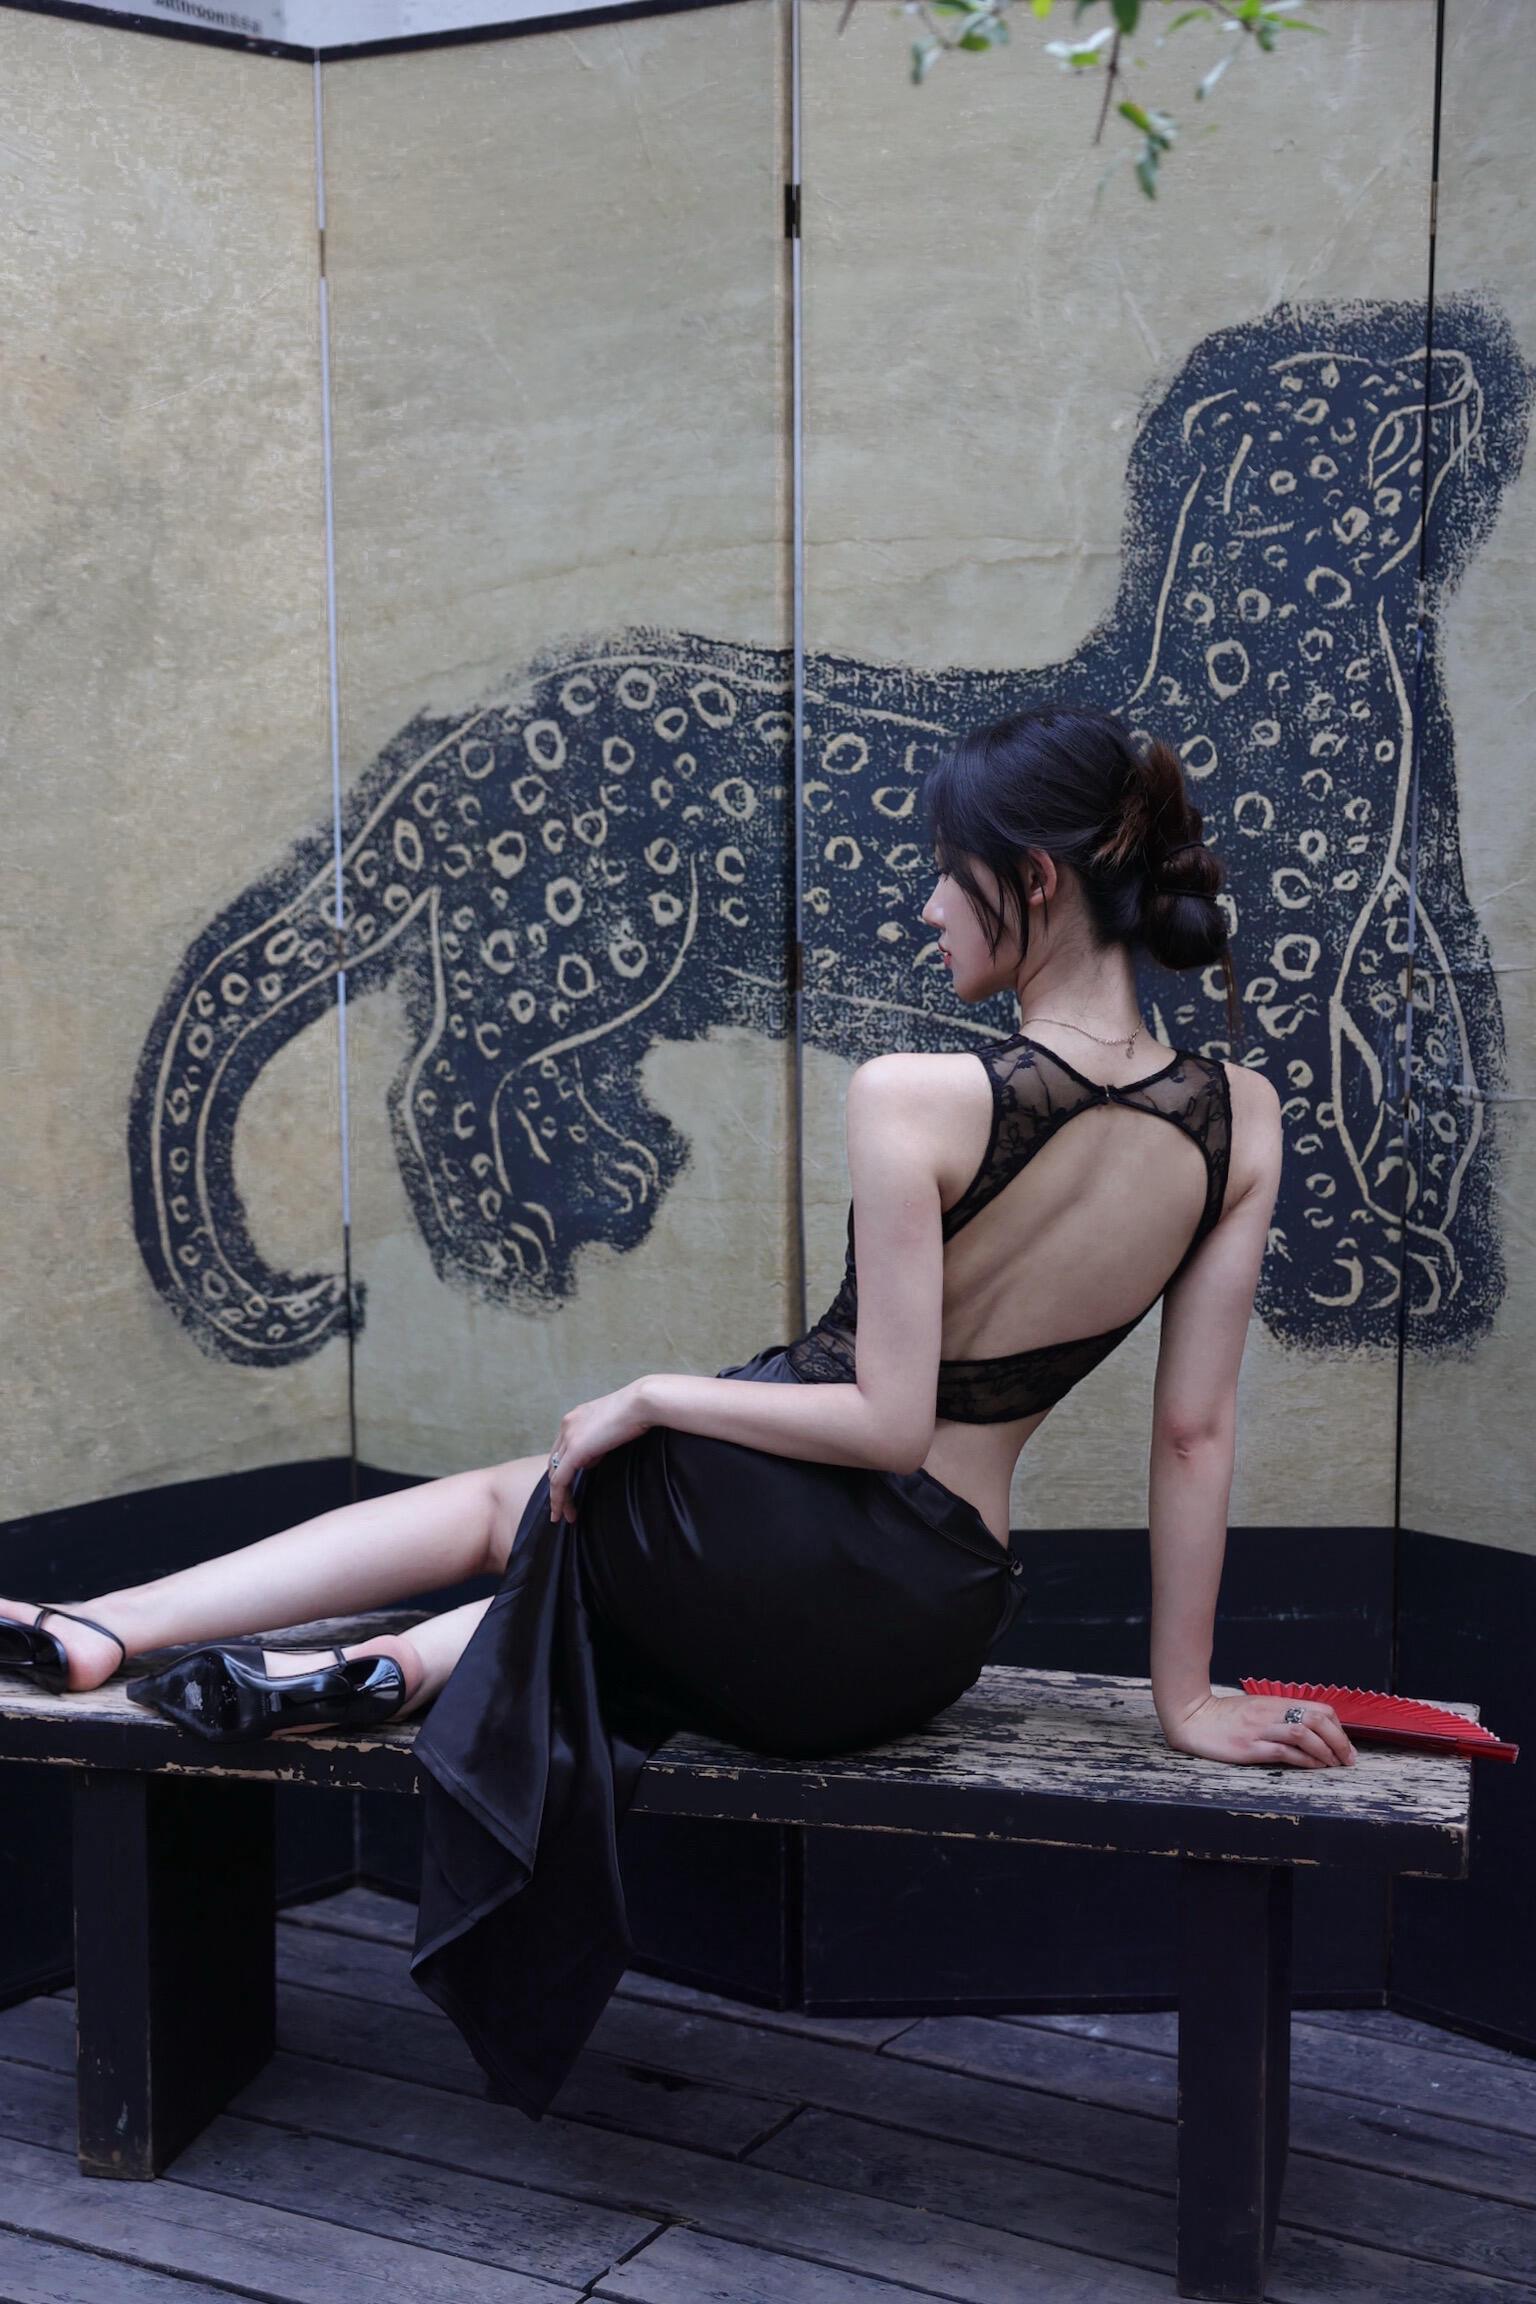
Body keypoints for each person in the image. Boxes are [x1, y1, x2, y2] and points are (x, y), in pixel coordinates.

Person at [0, 701, 1356, 2118]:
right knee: (602, 1587)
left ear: (1032, 878)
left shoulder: (916, 1096)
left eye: (946, 872)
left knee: (522, 1500)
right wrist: (1186, 1700)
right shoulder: (1240, 1119)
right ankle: (385, 1668)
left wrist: (654, 1396)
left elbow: (886, 1424)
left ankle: (119, 1625)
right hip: (920, 1631)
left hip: (784, 1543)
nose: (925, 906)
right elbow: (1194, 1436)